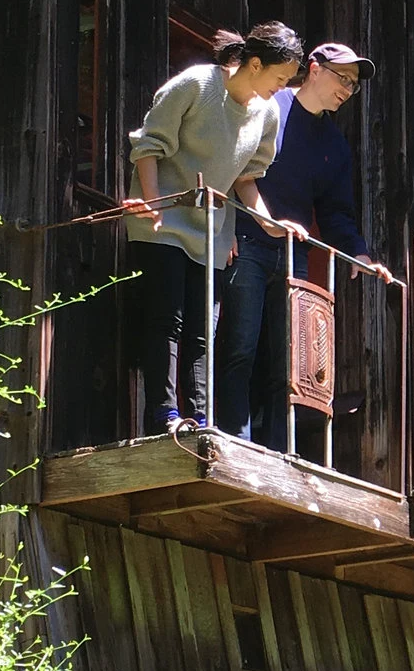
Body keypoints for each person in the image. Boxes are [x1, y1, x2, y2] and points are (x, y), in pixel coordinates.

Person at [122, 22, 301, 433]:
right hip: (164, 219)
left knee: (204, 330)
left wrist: (271, 224)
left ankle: (201, 418)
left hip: (212, 230)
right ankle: (165, 416)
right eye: (280, 77)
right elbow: (148, 146)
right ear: (255, 64)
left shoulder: (267, 113)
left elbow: (245, 179)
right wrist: (153, 204)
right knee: (167, 320)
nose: (283, 87)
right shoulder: (197, 85)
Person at [235, 40, 394, 446]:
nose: (347, 89)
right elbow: (234, 168)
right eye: (343, 78)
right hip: (246, 240)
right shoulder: (269, 105)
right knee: (240, 346)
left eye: (354, 84)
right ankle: (234, 438)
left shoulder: (334, 145)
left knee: (288, 361)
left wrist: (358, 252)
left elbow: (336, 211)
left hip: (295, 255)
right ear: (315, 68)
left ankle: (275, 451)